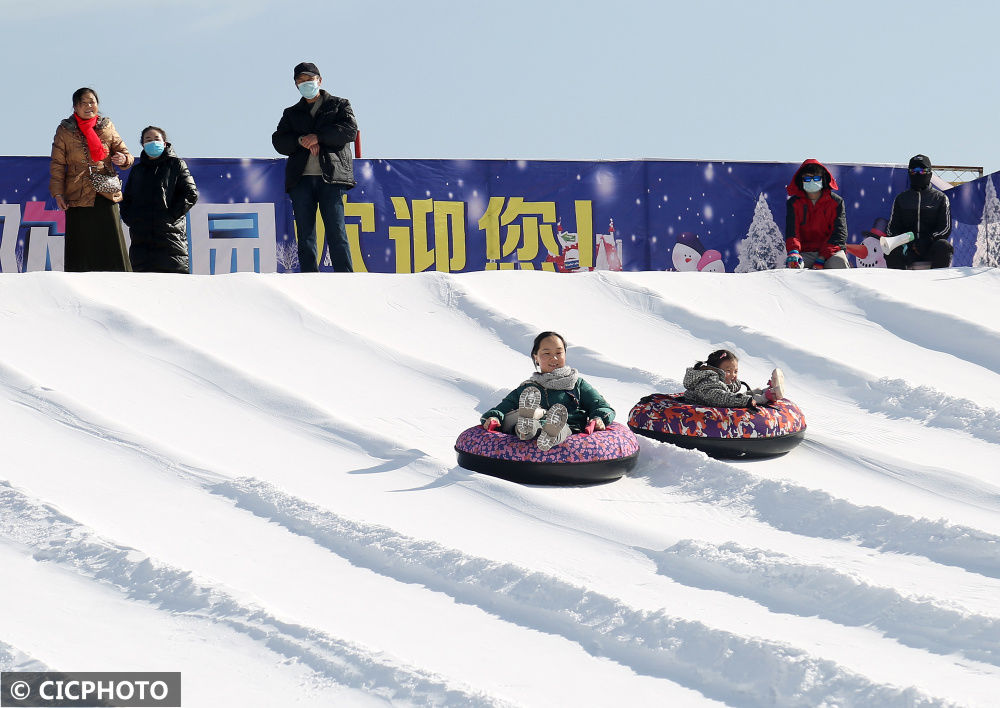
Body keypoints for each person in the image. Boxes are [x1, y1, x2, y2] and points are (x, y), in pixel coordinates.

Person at [272, 61, 358, 273]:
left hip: (331, 177)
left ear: (319, 80)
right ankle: (309, 278)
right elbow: (279, 141)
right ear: (296, 86)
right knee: (305, 233)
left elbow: (349, 131)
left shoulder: (339, 105)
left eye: (309, 79)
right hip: (301, 180)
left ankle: (346, 278)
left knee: (336, 230)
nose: (305, 83)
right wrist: (301, 140)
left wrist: (318, 137)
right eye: (300, 81)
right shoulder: (291, 113)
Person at [481, 331, 615, 451]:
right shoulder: (528, 388)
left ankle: (549, 432)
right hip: (535, 423)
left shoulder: (576, 384)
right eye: (546, 353)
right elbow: (503, 408)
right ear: (536, 358)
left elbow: (602, 406)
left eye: (558, 353)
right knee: (528, 422)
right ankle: (526, 428)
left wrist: (598, 418)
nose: (554, 358)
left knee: (560, 427)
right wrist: (494, 417)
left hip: (568, 427)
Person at [49, 87, 134, 272]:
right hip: (77, 194)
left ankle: (120, 284)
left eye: (92, 102)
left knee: (111, 244)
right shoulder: (64, 130)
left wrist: (123, 159)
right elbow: (57, 165)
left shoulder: (107, 126)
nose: (89, 106)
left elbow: (126, 154)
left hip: (105, 191)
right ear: (75, 107)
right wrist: (58, 193)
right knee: (81, 248)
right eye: (83, 103)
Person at [120, 126, 199, 273]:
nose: (153, 142)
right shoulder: (137, 170)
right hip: (141, 245)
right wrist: (132, 220)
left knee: (174, 290)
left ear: (164, 143)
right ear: (143, 145)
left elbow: (191, 193)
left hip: (170, 243)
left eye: (157, 139)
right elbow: (127, 199)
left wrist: (169, 217)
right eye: (148, 140)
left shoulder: (176, 164)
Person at [885, 155, 953, 269]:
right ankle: (897, 284)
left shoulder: (940, 198)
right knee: (892, 250)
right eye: (914, 171)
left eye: (922, 171)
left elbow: (945, 228)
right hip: (907, 249)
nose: (917, 174)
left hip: (930, 247)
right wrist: (904, 243)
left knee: (944, 246)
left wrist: (928, 240)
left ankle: (939, 285)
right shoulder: (901, 199)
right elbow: (891, 229)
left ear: (930, 174)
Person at [784, 159, 850, 270]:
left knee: (839, 262)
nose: (812, 182)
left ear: (823, 180)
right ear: (801, 181)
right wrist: (794, 252)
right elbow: (792, 232)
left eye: (816, 178)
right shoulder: (794, 203)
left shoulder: (836, 202)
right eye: (807, 179)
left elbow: (839, 235)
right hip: (805, 253)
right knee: (793, 265)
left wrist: (822, 257)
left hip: (831, 253)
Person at [682, 349, 785, 408]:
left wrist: (737, 384)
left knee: (748, 394)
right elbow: (720, 398)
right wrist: (746, 401)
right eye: (728, 371)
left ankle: (766, 390)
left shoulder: (718, 379)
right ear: (716, 370)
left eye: (735, 371)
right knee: (745, 400)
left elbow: (727, 389)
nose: (733, 375)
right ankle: (767, 396)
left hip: (717, 400)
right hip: (703, 407)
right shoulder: (708, 382)